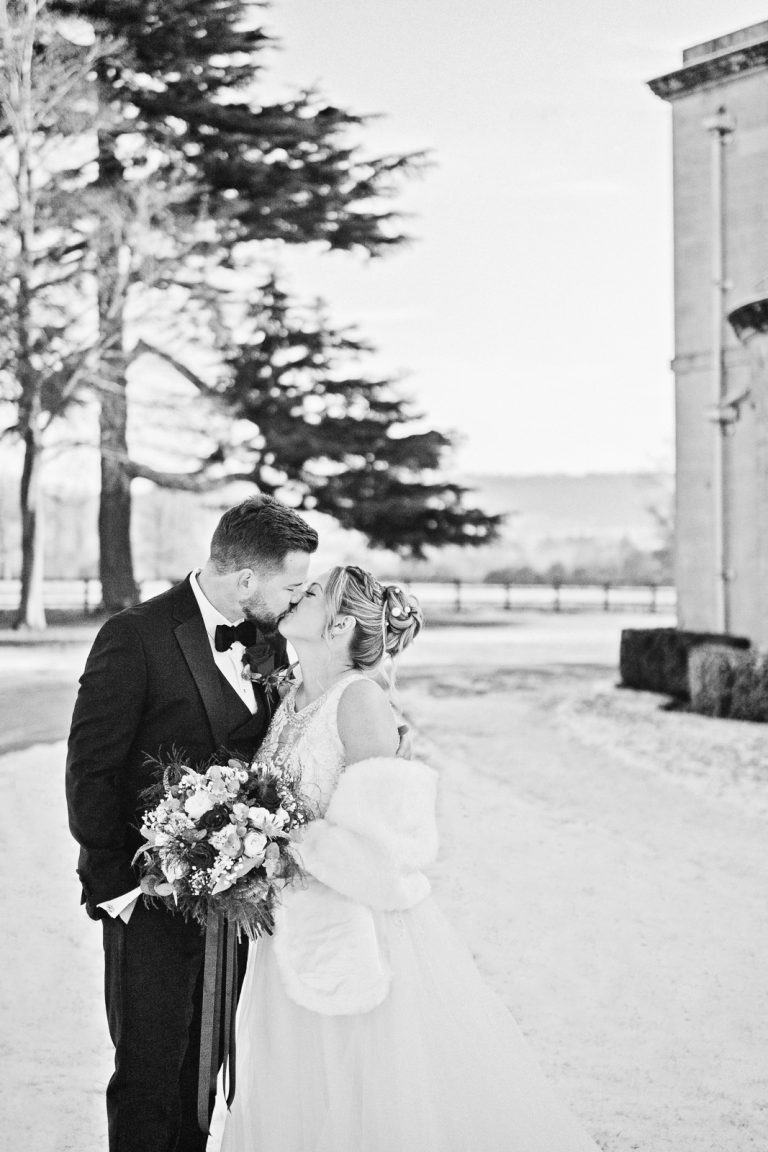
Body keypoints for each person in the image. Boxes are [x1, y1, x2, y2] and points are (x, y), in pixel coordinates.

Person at [220, 565, 601, 1152]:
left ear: (340, 622)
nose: (298, 593)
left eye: (314, 591)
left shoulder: (361, 702)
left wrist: (285, 845)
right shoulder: (291, 697)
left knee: (359, 1095)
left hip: (356, 935)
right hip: (287, 934)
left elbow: (384, 848)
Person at [65, 495, 318, 1152]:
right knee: (150, 1073)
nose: (297, 598)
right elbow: (91, 768)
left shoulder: (269, 644)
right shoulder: (136, 635)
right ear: (244, 579)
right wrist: (115, 886)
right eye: (291, 584)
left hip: (233, 903)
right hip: (147, 899)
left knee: (205, 1072)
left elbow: (280, 750)